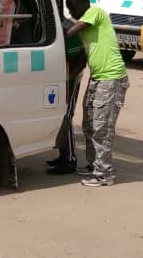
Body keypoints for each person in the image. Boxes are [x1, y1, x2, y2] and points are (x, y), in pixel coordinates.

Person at [65, 0, 129, 187]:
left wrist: (58, 33)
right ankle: (95, 165)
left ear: (84, 5)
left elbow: (70, 32)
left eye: (73, 9)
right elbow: (85, 57)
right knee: (89, 124)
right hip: (98, 78)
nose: (72, 13)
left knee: (102, 128)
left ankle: (104, 173)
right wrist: (69, 77)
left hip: (111, 79)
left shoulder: (96, 13)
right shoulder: (87, 31)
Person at [47, 19, 87, 174]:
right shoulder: (52, 27)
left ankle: (70, 159)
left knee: (66, 118)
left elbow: (81, 60)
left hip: (70, 81)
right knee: (60, 117)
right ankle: (63, 155)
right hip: (58, 82)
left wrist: (68, 79)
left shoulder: (68, 31)